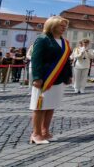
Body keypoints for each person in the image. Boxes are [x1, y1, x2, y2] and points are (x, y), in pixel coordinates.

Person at [29, 16, 73, 144]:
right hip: (45, 77)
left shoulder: (64, 42)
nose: (64, 28)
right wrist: (37, 77)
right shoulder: (42, 39)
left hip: (58, 78)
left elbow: (66, 62)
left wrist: (68, 75)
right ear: (52, 25)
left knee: (51, 105)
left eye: (65, 26)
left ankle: (45, 132)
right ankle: (36, 134)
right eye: (61, 25)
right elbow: (36, 59)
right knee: (39, 107)